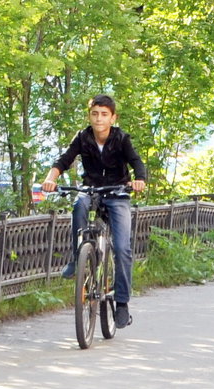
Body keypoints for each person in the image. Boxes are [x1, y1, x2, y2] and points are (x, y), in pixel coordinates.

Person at [42, 94, 146, 329]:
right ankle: (77, 257)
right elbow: (63, 160)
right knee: (79, 205)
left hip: (117, 192)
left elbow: (137, 162)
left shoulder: (121, 139)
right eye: (95, 114)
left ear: (113, 117)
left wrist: (139, 179)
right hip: (91, 190)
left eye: (104, 114)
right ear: (90, 116)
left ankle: (121, 303)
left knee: (121, 248)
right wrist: (50, 178)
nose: (99, 119)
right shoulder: (83, 137)